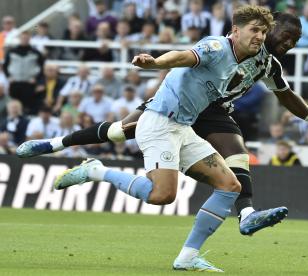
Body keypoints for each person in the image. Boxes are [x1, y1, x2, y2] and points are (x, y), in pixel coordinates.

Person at [17, 12, 308, 237]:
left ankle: (246, 215)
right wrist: (155, 63)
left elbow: (287, 97)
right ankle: (55, 145)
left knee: (236, 153)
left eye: (296, 39)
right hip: (179, 102)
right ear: (267, 30)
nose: (291, 42)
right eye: (288, 35)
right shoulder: (224, 45)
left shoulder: (269, 65)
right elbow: (187, 56)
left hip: (214, 111)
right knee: (119, 131)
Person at [52, 5, 274, 272]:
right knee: (162, 195)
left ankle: (187, 257)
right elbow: (183, 56)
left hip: (182, 128)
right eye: (254, 30)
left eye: (263, 31)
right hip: (159, 124)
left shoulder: (239, 61)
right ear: (235, 30)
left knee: (230, 185)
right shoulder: (216, 47)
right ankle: (96, 170)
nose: (260, 37)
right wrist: (156, 62)